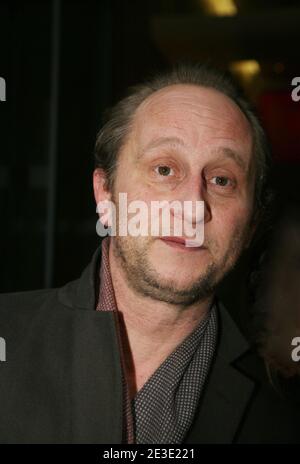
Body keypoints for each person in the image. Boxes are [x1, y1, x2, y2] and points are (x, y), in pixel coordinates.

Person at [0, 63, 297, 444]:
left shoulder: (280, 419)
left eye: (222, 180)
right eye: (164, 169)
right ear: (105, 193)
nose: (191, 205)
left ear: (251, 223)